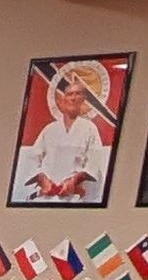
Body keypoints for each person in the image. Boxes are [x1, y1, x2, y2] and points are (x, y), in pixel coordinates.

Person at [10, 61, 118, 205]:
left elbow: (94, 163)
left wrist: (74, 180)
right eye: (69, 94)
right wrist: (43, 179)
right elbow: (33, 159)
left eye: (77, 94)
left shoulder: (90, 129)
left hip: (76, 197)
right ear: (62, 99)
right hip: (46, 195)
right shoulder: (50, 129)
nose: (73, 98)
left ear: (84, 100)